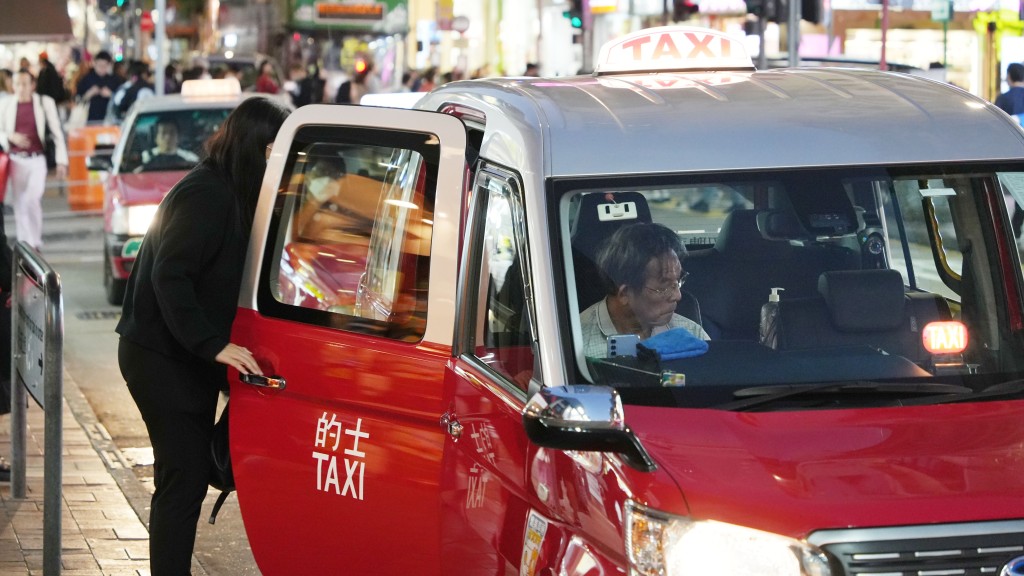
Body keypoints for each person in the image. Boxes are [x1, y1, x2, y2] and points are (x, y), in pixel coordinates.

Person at [115, 95, 290, 575]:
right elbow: (169, 276)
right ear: (254, 147)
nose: (279, 162)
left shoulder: (232, 191)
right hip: (160, 357)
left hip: (181, 356)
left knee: (189, 473)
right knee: (183, 477)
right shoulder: (207, 193)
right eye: (274, 150)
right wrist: (212, 346)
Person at [579, 222, 708, 358]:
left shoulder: (692, 335)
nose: (678, 296)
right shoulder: (575, 344)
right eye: (664, 287)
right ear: (624, 294)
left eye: (678, 282)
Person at [0, 69, 69, 249]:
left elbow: (56, 132)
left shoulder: (44, 103)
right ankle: (26, 242)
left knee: (32, 198)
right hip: (15, 159)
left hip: (37, 158)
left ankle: (34, 241)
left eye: (24, 84)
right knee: (19, 202)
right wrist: (10, 136)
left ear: (32, 85)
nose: (21, 88)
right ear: (12, 86)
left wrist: (62, 161)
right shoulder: (6, 104)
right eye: (17, 84)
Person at [996, 63, 1024, 240]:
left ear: (1009, 76)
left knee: (1010, 192)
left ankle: (1011, 228)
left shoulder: (1004, 99)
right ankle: (1016, 225)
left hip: (1010, 153)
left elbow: (995, 125)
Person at [75, 51, 121, 123]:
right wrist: (88, 94)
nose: (102, 68)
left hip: (110, 119)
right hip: (89, 119)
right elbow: (77, 99)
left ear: (109, 65)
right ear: (94, 63)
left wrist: (111, 95)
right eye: (99, 65)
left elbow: (121, 100)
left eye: (104, 66)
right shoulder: (86, 79)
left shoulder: (115, 80)